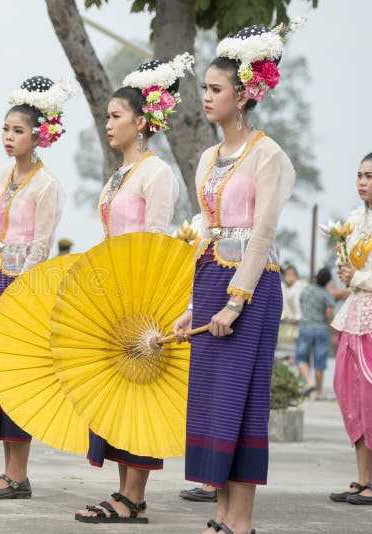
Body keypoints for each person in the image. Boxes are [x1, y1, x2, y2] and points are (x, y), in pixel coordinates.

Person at [174, 21, 302, 534]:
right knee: (208, 399)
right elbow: (205, 231)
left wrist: (235, 301)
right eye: (204, 87)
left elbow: (264, 232)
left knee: (240, 398)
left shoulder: (268, 155)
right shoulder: (207, 157)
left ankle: (240, 521)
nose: (206, 97)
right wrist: (192, 303)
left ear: (244, 95)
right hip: (208, 280)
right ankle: (220, 512)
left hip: (250, 287)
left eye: (215, 89)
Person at [73, 54, 190, 524]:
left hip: (141, 297)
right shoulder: (121, 174)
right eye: (107, 117)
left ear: (141, 122)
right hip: (112, 295)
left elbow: (156, 243)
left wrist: (145, 298)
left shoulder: (156, 174)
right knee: (115, 393)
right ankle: (123, 493)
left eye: (116, 116)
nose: (108, 124)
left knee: (139, 393)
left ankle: (134, 495)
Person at [0, 75, 70, 500]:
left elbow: (42, 244)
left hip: (24, 286)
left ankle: (18, 474)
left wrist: (21, 292)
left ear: (38, 136)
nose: (9, 138)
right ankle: (9, 472)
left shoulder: (47, 185)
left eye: (18, 131)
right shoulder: (2, 175)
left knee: (19, 376)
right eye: (6, 130)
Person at [328, 152, 372, 506]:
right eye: (359, 175)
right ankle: (363, 479)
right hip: (354, 313)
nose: (362, 182)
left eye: (370, 176)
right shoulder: (356, 220)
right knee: (350, 395)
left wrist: (356, 277)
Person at [295, 267, 335, 399]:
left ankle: (309, 382)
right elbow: (329, 313)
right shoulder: (326, 294)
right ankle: (319, 393)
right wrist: (332, 331)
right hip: (322, 329)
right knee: (320, 362)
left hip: (306, 327)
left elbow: (301, 305)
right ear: (328, 281)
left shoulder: (306, 289)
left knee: (301, 358)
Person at [277, 264, 304, 363]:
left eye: (292, 274)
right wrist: (285, 317)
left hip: (298, 324)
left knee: (297, 355)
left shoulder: (300, 286)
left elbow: (302, 306)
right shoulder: (281, 286)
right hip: (284, 324)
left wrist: (297, 318)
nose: (290, 277)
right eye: (287, 274)